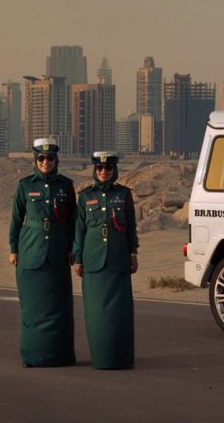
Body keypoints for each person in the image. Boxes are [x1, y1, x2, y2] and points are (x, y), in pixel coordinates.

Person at [8, 136, 77, 367]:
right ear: (35, 160)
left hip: (57, 252)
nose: (46, 162)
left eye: (50, 158)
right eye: (41, 158)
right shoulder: (25, 186)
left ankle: (60, 356)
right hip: (31, 251)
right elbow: (16, 220)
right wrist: (13, 249)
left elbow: (73, 221)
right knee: (34, 308)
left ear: (56, 160)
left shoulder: (66, 186)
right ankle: (33, 355)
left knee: (59, 307)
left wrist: (72, 249)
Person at [73, 151, 138, 370]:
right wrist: (78, 259)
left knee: (119, 314)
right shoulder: (84, 196)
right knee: (96, 313)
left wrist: (133, 253)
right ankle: (101, 358)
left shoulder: (124, 195)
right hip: (93, 261)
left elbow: (130, 226)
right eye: (99, 169)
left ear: (114, 170)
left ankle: (121, 358)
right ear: (94, 170)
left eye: (108, 168)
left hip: (118, 260)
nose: (103, 172)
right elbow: (79, 230)